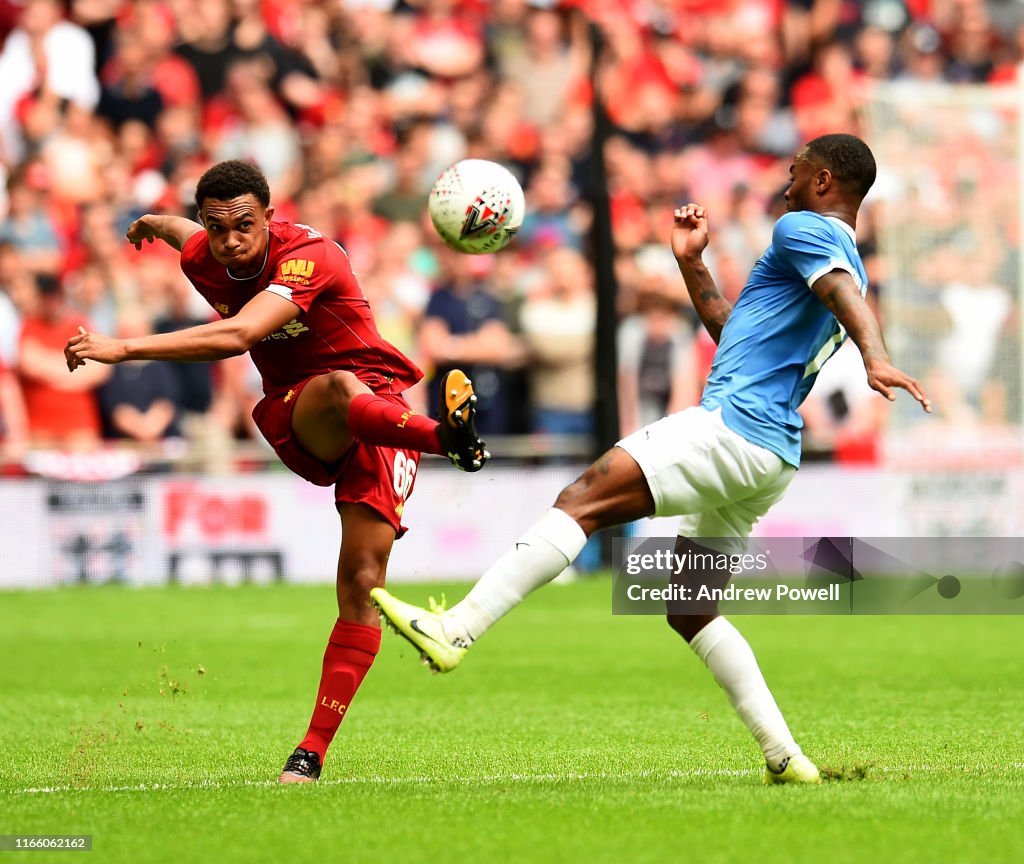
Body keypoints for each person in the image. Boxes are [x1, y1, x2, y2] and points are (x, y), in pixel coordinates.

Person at [370, 134, 932, 785]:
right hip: (769, 456)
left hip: (731, 431)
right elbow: (734, 331)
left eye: (796, 172)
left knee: (581, 500)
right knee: (692, 608)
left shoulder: (805, 229)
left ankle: (458, 629)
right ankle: (786, 756)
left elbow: (843, 297)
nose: (786, 184)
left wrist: (875, 354)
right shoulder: (836, 254)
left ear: (826, 181)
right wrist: (693, 264)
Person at [64, 159, 489, 784]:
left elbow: (237, 336)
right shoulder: (205, 252)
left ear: (270, 215)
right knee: (338, 387)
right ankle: (448, 439)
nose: (231, 239)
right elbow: (189, 238)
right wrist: (156, 223)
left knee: (363, 580)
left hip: (380, 411)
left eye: (244, 225)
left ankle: (310, 752)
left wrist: (121, 348)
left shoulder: (308, 256)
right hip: (302, 413)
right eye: (218, 227)